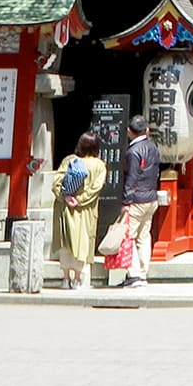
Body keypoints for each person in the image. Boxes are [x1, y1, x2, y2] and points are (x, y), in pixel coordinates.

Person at [51, 130, 107, 291]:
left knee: (65, 243)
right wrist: (80, 200)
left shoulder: (69, 160)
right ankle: (78, 279)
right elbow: (96, 187)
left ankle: (65, 278)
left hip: (64, 208)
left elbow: (56, 182)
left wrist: (65, 197)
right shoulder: (99, 165)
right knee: (82, 243)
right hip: (85, 210)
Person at [118, 114, 160, 288]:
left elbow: (131, 178)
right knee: (144, 236)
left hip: (137, 200)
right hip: (151, 197)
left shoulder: (133, 152)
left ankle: (133, 273)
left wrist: (126, 202)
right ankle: (143, 273)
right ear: (147, 130)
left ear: (129, 131)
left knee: (129, 236)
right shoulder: (153, 147)